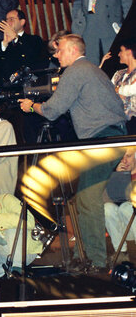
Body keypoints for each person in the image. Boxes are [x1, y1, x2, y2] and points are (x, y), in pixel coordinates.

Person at [19, 34, 127, 270]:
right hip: (110, 138)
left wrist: (32, 105)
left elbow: (52, 110)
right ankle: (82, 255)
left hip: (102, 140)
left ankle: (96, 261)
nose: (56, 55)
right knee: (81, 198)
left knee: (88, 199)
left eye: (59, 51)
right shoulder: (92, 70)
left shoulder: (76, 70)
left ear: (72, 50)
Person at [0, 8, 48, 86]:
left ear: (22, 22)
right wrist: (4, 44)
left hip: (27, 85)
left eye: (12, 19)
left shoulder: (34, 40)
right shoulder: (0, 43)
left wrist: (16, 38)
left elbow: (32, 57)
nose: (8, 22)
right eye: (7, 20)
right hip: (5, 86)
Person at [104, 149, 136, 262]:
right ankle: (121, 252)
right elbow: (105, 200)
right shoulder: (115, 175)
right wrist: (118, 177)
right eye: (121, 157)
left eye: (128, 156)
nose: (124, 160)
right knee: (108, 208)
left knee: (126, 207)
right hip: (125, 228)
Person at [106, 38, 136, 134]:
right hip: (116, 123)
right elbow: (107, 94)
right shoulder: (118, 74)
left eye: (121, 51)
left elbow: (131, 90)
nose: (118, 54)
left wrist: (117, 90)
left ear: (129, 52)